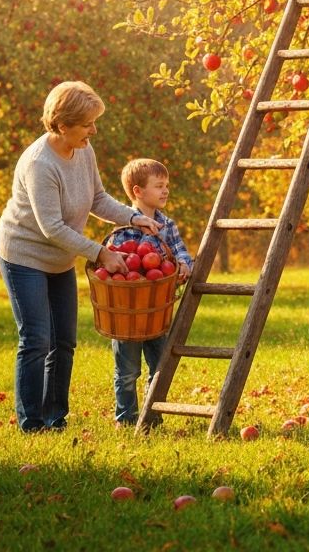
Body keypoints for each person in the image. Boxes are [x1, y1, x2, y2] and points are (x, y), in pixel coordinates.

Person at [0, 81, 159, 433]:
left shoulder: (83, 150)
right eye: (87, 124)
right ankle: (31, 423)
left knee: (64, 341)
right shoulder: (40, 164)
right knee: (36, 338)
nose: (93, 131)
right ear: (63, 124)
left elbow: (97, 198)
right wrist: (100, 253)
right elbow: (51, 227)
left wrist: (133, 217)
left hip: (60, 258)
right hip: (24, 254)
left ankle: (56, 418)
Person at [111, 158, 194, 426]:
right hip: (128, 311)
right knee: (127, 370)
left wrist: (182, 264)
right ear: (138, 191)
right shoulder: (123, 226)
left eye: (166, 185)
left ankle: (151, 418)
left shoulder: (167, 225)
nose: (166, 190)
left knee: (158, 366)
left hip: (157, 308)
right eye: (159, 186)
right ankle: (125, 419)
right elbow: (117, 264)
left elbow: (181, 251)